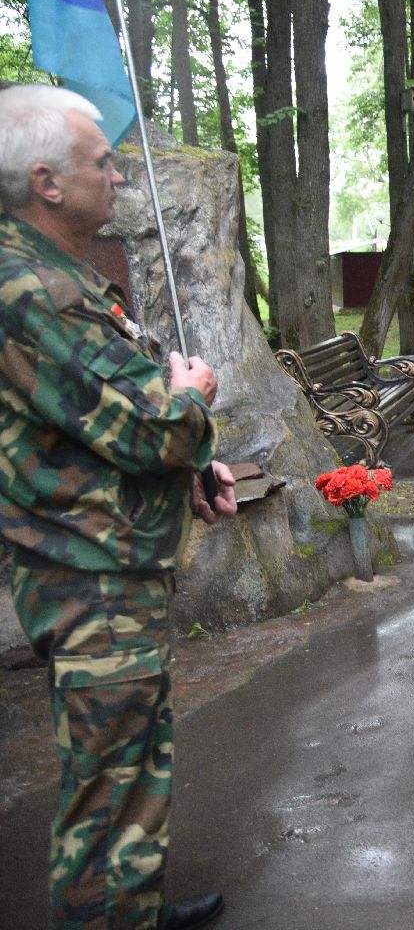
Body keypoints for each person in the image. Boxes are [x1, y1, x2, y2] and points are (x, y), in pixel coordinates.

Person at [0, 84, 236, 930]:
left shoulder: (59, 275)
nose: (119, 175)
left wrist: (195, 463)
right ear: (47, 183)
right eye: (102, 163)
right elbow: (148, 428)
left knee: (132, 757)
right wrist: (194, 398)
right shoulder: (35, 293)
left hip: (111, 559)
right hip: (88, 574)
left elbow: (109, 419)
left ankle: (127, 904)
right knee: (108, 772)